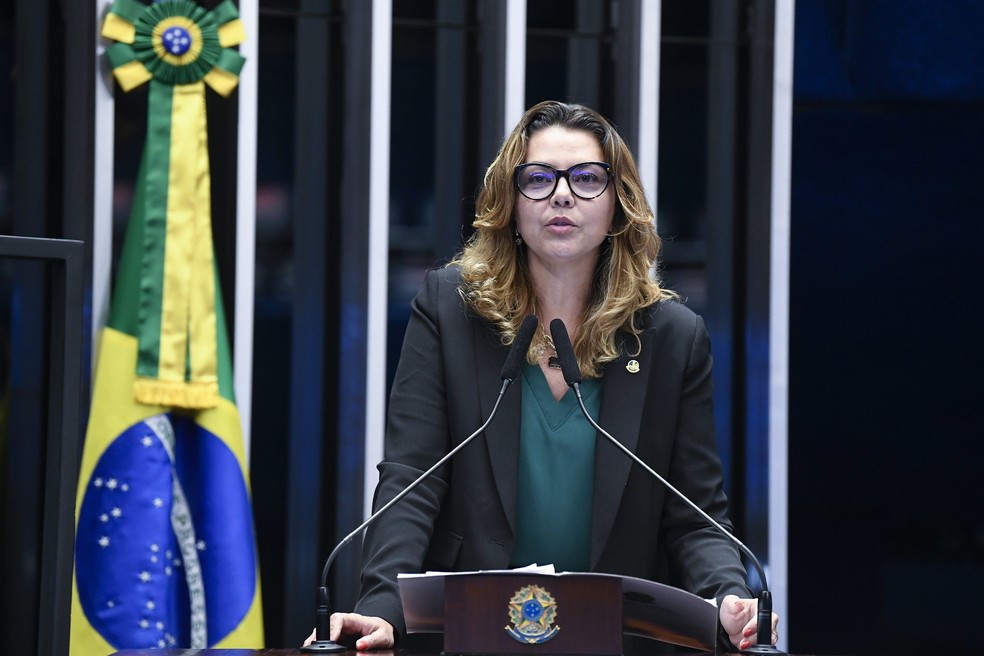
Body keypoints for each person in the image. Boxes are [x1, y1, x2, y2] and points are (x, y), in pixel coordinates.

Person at [315, 100, 779, 652]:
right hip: (468, 634)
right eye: (538, 178)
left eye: (586, 178)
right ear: (509, 203)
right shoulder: (449, 309)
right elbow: (412, 481)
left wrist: (727, 595)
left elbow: (694, 514)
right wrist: (382, 608)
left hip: (612, 639)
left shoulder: (672, 337)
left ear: (618, 204)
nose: (562, 194)